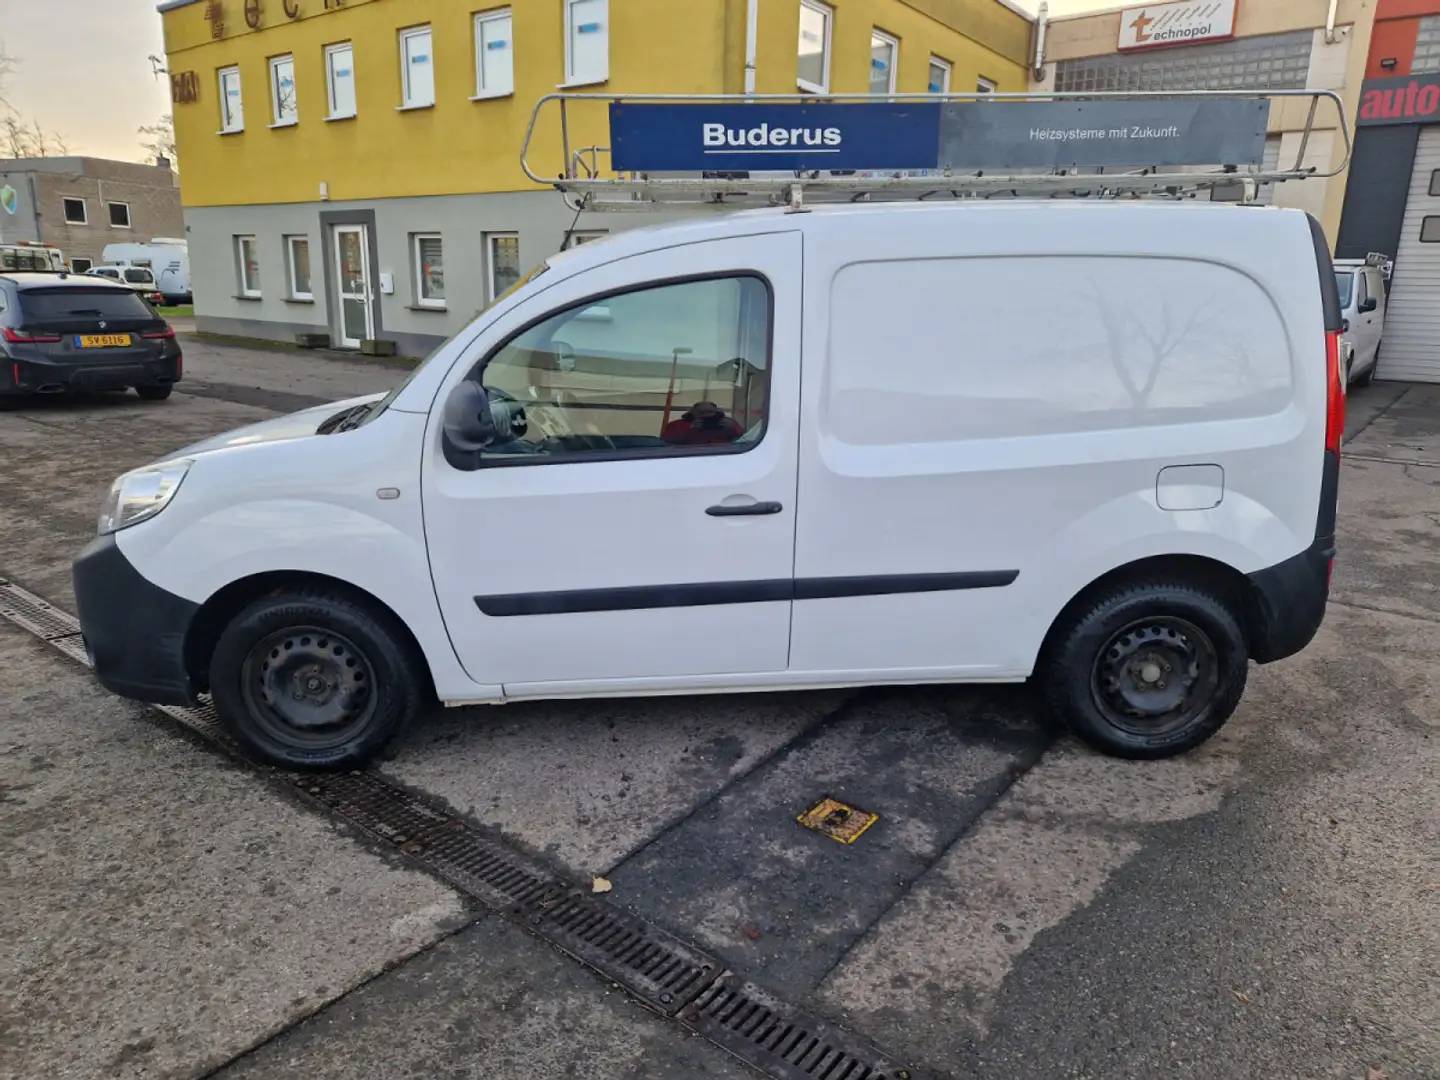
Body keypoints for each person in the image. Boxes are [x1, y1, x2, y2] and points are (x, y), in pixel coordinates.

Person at [661, 401, 744, 446]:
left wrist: (734, 427)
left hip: (721, 456)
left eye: (710, 412)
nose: (706, 415)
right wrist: (689, 429)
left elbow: (745, 438)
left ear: (717, 412)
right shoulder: (676, 425)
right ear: (693, 413)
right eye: (701, 412)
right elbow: (666, 443)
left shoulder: (728, 423)